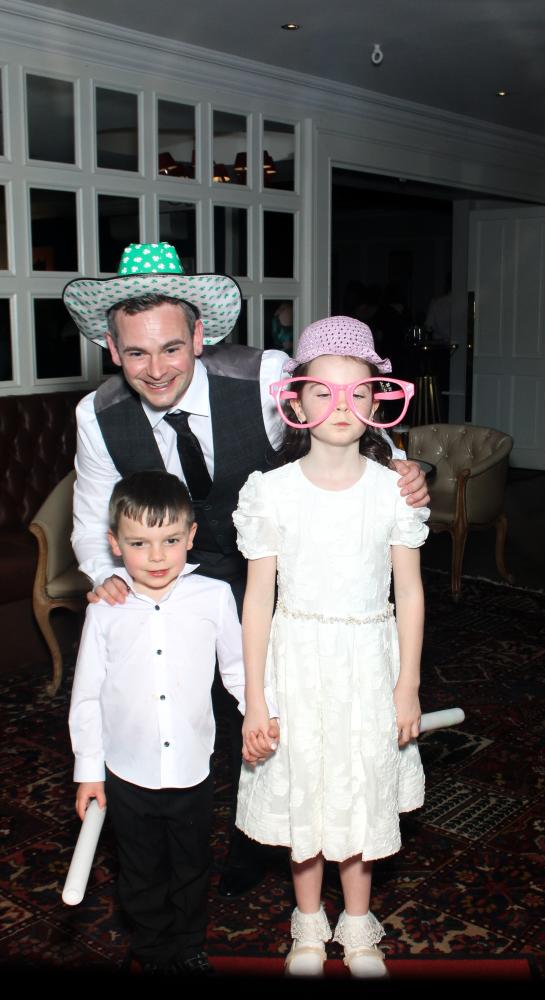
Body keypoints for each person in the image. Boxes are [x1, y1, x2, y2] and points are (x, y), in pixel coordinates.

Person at [63, 241, 429, 898]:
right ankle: (176, 825)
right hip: (172, 568)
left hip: (269, 562)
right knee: (175, 694)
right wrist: (103, 573)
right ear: (111, 350)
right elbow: (93, 514)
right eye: (137, 353)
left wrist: (397, 466)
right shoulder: (97, 415)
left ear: (199, 336)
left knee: (269, 698)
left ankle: (256, 839)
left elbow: (341, 405)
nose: (156, 369)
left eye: (171, 347)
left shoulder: (263, 375)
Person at [232, 316, 427, 978]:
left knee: (360, 790)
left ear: (376, 401)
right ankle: (309, 926)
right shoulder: (270, 492)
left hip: (369, 666)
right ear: (296, 401)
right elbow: (258, 599)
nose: (341, 406)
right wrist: (256, 698)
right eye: (323, 392)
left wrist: (408, 686)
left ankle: (359, 928)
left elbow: (410, 592)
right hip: (297, 666)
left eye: (356, 392)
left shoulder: (393, 489)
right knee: (306, 791)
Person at [68, 470, 277, 974]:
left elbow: (237, 668)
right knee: (139, 869)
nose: (156, 556)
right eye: (139, 543)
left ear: (191, 536)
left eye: (170, 540)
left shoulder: (213, 596)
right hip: (127, 770)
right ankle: (154, 951)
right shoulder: (104, 611)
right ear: (115, 544)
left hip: (191, 768)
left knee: (191, 863)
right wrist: (89, 771)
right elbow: (87, 696)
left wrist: (261, 713)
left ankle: (189, 944)